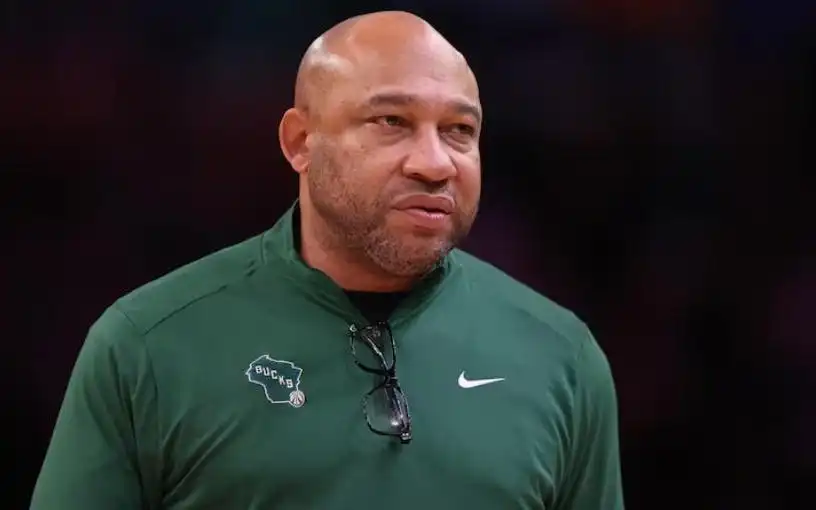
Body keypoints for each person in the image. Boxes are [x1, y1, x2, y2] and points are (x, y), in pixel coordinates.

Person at [30, 11, 624, 510]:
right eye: (392, 122)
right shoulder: (147, 346)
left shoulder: (561, 358)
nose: (434, 162)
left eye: (459, 130)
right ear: (300, 142)